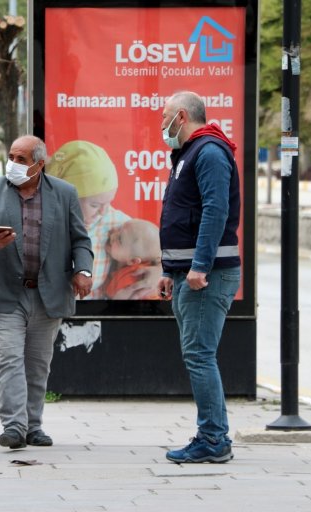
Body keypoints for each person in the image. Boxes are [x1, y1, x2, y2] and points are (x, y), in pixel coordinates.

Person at [0, 135, 93, 449]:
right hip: (5, 292)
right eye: (12, 157)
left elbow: (81, 240)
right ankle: (14, 427)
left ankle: (34, 426)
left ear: (39, 164)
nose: (14, 164)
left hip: (48, 294)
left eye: (22, 159)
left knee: (37, 364)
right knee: (9, 360)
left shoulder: (64, 193)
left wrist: (83, 270)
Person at [156, 91, 241, 464]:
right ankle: (213, 435)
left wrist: (200, 267)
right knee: (198, 354)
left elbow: (215, 210)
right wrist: (169, 270)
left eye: (165, 117)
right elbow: (182, 215)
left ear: (182, 115)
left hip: (208, 276)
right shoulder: (189, 154)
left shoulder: (207, 152)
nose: (162, 125)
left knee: (199, 355)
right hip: (187, 274)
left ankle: (213, 438)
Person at [46, 140, 160, 300]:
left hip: (92, 315)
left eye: (108, 202)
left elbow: (149, 244)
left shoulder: (112, 222)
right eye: (94, 204)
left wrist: (160, 271)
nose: (102, 211)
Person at [104, 219, 162, 299]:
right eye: (119, 228)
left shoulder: (131, 279)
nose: (113, 233)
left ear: (133, 261)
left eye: (120, 239)